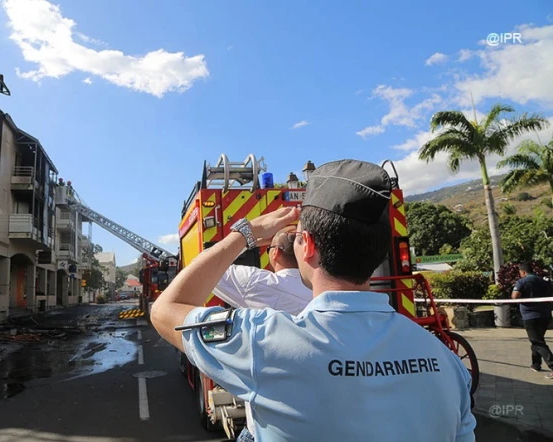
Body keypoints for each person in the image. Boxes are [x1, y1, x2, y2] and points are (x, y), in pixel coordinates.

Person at [151, 159, 476, 441]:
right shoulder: (446, 365)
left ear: (306, 246)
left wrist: (245, 234)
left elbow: (166, 310)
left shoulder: (263, 343)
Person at [209, 225, 311, 441]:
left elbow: (207, 266)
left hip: (266, 428)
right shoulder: (326, 289)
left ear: (274, 253)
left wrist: (248, 237)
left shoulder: (258, 284)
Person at [211, 225, 311, 315]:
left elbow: (207, 269)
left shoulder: (256, 281)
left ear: (275, 252)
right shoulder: (320, 290)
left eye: (269, 249)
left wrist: (250, 241)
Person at [511, 263, 553, 379]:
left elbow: (514, 296)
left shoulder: (522, 282)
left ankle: (552, 365)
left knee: (537, 342)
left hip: (530, 316)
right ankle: (536, 364)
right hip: (545, 315)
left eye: (520, 273)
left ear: (523, 272)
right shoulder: (543, 281)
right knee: (538, 339)